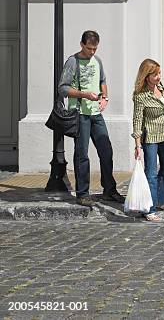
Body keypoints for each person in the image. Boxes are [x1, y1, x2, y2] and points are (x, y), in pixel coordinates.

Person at [58, 30, 123, 207]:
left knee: (106, 151)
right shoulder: (73, 61)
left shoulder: (97, 61)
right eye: (89, 48)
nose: (92, 52)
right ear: (81, 44)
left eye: (94, 48)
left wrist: (105, 98)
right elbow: (63, 88)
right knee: (82, 154)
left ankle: (109, 190)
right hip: (79, 113)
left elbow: (103, 81)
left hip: (96, 113)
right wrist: (84, 94)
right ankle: (82, 193)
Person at [131, 59, 164, 222]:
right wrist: (138, 145)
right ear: (146, 76)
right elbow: (137, 120)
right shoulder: (140, 96)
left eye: (159, 73)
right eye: (155, 74)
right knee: (151, 173)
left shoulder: (160, 88)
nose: (159, 77)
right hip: (150, 137)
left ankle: (161, 200)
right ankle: (149, 209)